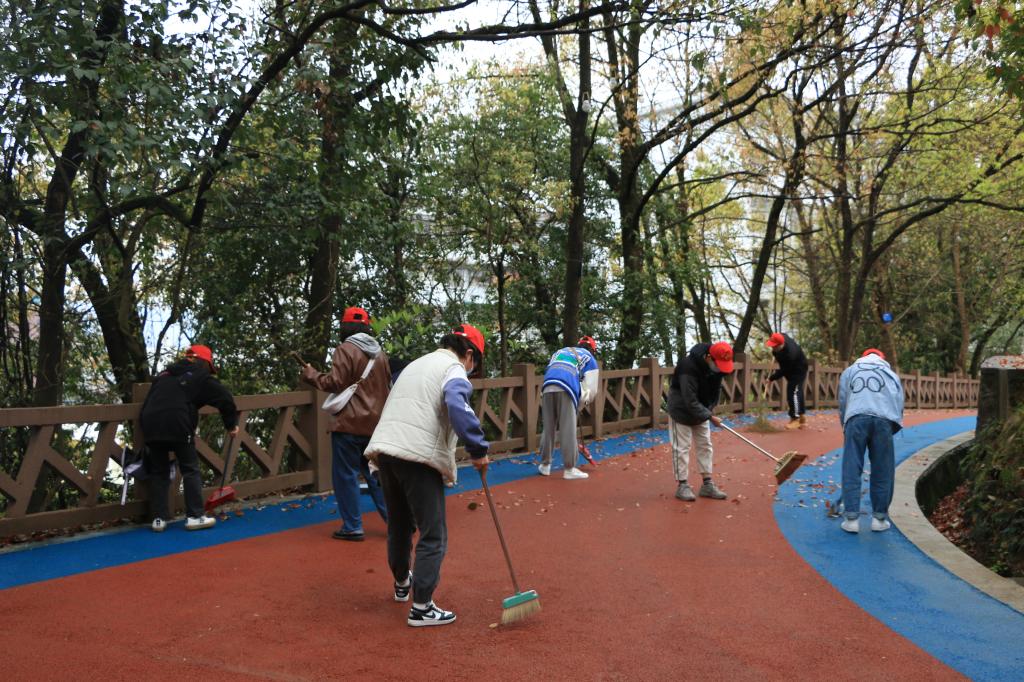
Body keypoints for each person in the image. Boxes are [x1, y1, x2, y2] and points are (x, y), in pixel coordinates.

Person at [366, 324, 490, 627]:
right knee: (432, 532)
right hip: (417, 454)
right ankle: (422, 606)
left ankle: (402, 583)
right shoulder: (453, 369)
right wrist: (477, 448)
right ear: (469, 354)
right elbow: (457, 404)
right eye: (474, 365)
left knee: (399, 524)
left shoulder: (415, 365)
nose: (471, 371)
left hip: (386, 450)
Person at [299, 306, 390, 541]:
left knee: (346, 476)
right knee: (376, 475)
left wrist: (311, 374)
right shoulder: (380, 354)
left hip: (349, 424)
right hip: (374, 425)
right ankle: (397, 523)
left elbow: (335, 382)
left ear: (345, 327)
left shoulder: (345, 349)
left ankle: (352, 526)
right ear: (367, 327)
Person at [140, 344, 238, 532]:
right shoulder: (200, 376)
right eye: (208, 367)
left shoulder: (163, 375)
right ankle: (194, 516)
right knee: (190, 469)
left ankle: (159, 519)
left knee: (159, 471)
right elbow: (225, 398)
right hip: (177, 423)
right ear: (202, 362)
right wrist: (231, 425)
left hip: (151, 424)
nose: (208, 371)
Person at [837, 348, 904, 533]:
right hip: (884, 420)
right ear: (882, 359)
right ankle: (879, 519)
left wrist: (845, 424)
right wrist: (893, 426)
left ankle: (851, 519)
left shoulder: (850, 371)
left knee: (852, 467)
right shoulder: (890, 374)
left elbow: (843, 400)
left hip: (856, 418)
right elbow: (899, 403)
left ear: (862, 358)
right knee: (883, 469)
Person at [666, 342, 734, 502]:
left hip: (701, 410)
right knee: (681, 448)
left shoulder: (717, 368)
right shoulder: (687, 367)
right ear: (709, 357)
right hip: (681, 410)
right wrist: (709, 416)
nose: (720, 368)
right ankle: (682, 485)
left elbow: (716, 392)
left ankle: (707, 484)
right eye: (718, 364)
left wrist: (709, 410)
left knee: (705, 445)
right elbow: (689, 400)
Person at [537, 336, 600, 480]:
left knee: (549, 427)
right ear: (592, 350)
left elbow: (552, 370)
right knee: (568, 428)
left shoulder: (560, 352)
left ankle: (545, 465)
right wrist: (578, 406)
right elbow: (591, 391)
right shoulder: (589, 357)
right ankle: (569, 468)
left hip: (547, 386)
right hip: (566, 387)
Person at [766, 332, 809, 430]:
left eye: (774, 346)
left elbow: (784, 370)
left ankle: (795, 419)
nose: (772, 348)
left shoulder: (790, 354)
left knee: (793, 392)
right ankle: (801, 416)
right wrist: (775, 353)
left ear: (781, 345)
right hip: (791, 368)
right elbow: (782, 334)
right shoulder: (782, 337)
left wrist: (772, 378)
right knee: (797, 391)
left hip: (798, 370)